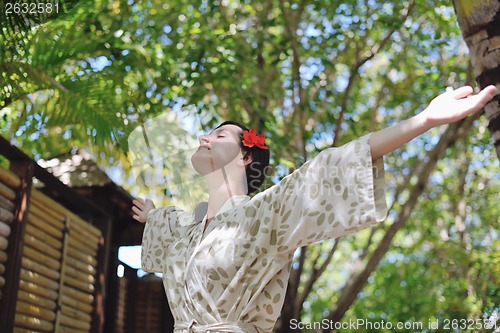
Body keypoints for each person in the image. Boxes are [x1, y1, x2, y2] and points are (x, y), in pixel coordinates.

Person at [132, 85, 497, 333]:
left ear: (246, 154)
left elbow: (327, 169)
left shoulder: (264, 214)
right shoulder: (187, 232)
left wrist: (424, 121)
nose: (204, 137)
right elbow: (168, 222)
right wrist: (151, 214)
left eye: (218, 134)